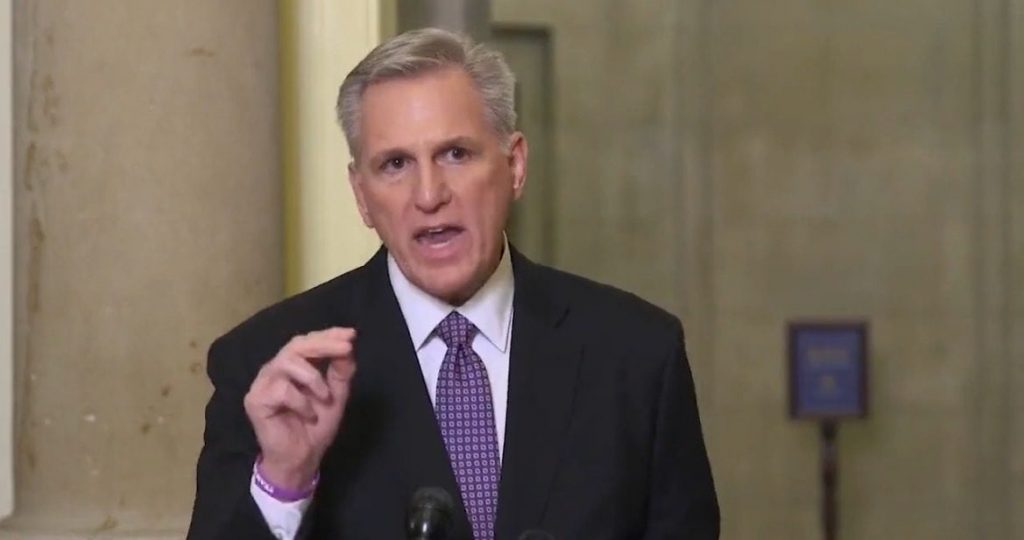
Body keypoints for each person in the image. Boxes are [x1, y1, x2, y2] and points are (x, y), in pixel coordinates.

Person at [187, 28, 718, 540]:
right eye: (395, 164)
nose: (429, 194)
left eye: (455, 154)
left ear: (514, 165)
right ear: (361, 195)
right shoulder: (269, 368)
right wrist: (284, 481)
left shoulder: (637, 354)